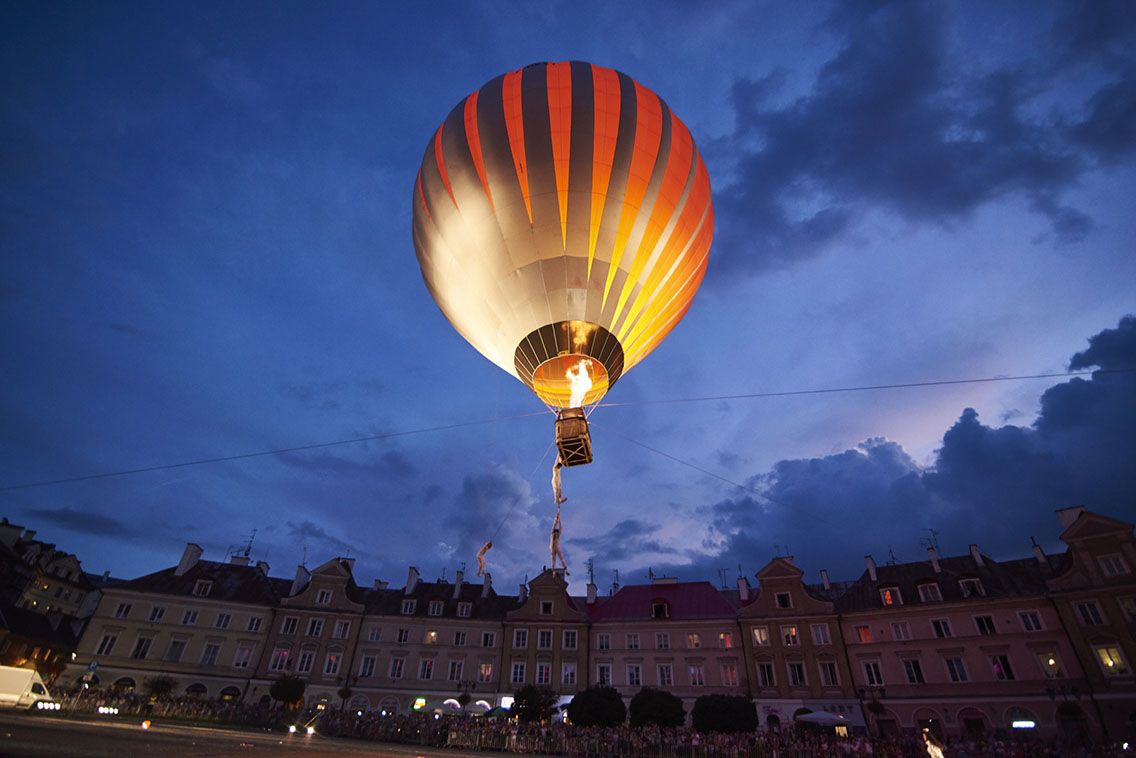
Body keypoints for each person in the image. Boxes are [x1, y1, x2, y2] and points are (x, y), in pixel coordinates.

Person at [550, 506, 568, 573]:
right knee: (554, 559)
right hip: (553, 547)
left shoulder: (557, 536)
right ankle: (553, 569)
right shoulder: (552, 534)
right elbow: (554, 525)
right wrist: (556, 518)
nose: (556, 534)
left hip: (555, 547)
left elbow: (560, 527)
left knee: (560, 557)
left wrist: (559, 519)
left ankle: (564, 567)